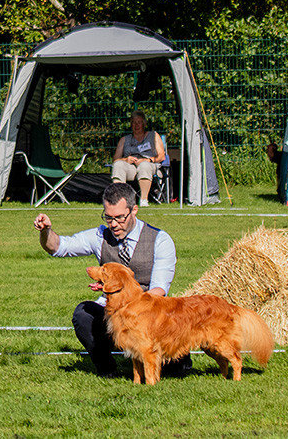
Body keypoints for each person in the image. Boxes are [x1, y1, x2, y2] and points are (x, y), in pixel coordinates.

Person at [33, 182, 188, 378]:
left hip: (150, 317)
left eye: (119, 218)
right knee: (83, 314)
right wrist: (46, 231)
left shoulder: (160, 239)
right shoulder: (100, 235)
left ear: (134, 210)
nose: (113, 224)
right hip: (111, 314)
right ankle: (108, 370)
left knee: (177, 369)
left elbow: (159, 290)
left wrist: (125, 303)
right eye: (108, 217)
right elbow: (58, 247)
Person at [111, 110, 166, 207]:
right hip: (131, 167)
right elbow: (115, 159)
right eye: (134, 123)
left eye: (139, 122)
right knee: (118, 165)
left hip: (150, 166)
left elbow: (161, 156)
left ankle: (144, 199)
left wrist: (148, 160)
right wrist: (126, 160)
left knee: (144, 166)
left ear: (144, 124)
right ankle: (120, 200)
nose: (136, 125)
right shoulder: (124, 139)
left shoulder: (153, 136)